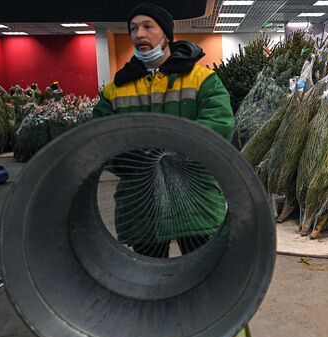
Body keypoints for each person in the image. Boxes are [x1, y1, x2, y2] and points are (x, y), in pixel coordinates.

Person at [93, 3, 235, 260]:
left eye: (148, 27)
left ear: (167, 35)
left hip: (196, 203)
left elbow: (220, 125)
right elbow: (99, 139)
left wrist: (171, 153)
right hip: (141, 206)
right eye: (134, 28)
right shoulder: (116, 89)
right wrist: (132, 161)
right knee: (151, 282)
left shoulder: (202, 80)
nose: (139, 35)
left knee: (202, 275)